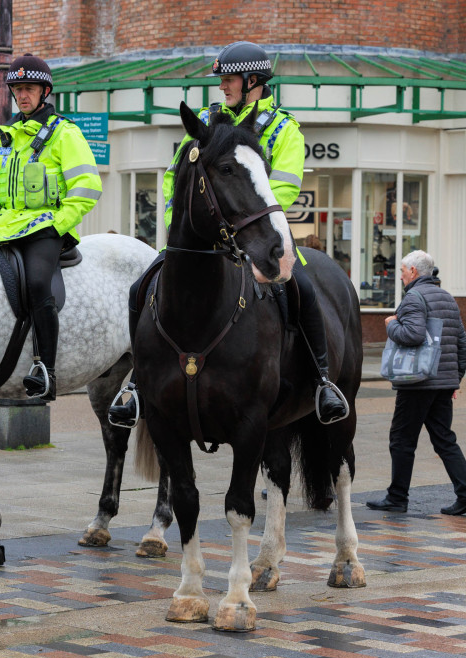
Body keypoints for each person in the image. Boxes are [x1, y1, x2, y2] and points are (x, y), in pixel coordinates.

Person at [108, 40, 348, 427]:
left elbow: (282, 189)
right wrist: (178, 222)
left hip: (258, 237)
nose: (222, 86)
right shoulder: (206, 123)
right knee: (141, 288)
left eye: (229, 79)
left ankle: (322, 381)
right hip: (203, 237)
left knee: (301, 289)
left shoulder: (284, 129)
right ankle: (137, 381)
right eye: (221, 79)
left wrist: (245, 227)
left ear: (253, 80)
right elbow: (176, 178)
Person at [0, 53, 102, 400]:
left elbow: (87, 185)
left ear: (44, 91)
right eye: (17, 89)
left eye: (30, 88)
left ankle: (45, 370)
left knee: (39, 283)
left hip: (44, 230)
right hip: (0, 229)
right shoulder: (2, 139)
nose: (22, 95)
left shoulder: (64, 134)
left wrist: (59, 223)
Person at [366, 250, 466, 516]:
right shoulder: (448, 298)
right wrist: (454, 380)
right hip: (442, 383)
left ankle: (397, 498)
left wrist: (391, 324)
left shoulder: (413, 298)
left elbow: (413, 334)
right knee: (444, 440)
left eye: (403, 272)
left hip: (417, 382)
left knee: (401, 439)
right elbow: (463, 345)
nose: (401, 277)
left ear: (414, 272)